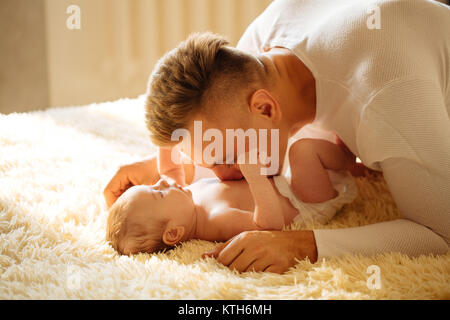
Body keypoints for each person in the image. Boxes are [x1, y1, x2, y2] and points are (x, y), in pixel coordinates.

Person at [104, 0, 450, 273]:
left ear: (266, 109)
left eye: (224, 158)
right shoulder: (259, 47)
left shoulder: (385, 98)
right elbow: (223, 121)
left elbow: (440, 232)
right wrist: (173, 167)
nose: (221, 174)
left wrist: (302, 245)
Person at [106, 139, 358, 273]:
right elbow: (270, 224)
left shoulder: (184, 198)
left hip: (287, 183)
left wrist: (165, 135)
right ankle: (350, 159)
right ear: (173, 233)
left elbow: (170, 168)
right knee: (302, 150)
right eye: (157, 194)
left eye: (153, 186)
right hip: (305, 202)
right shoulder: (215, 219)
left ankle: (343, 158)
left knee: (294, 141)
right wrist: (255, 176)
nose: (161, 182)